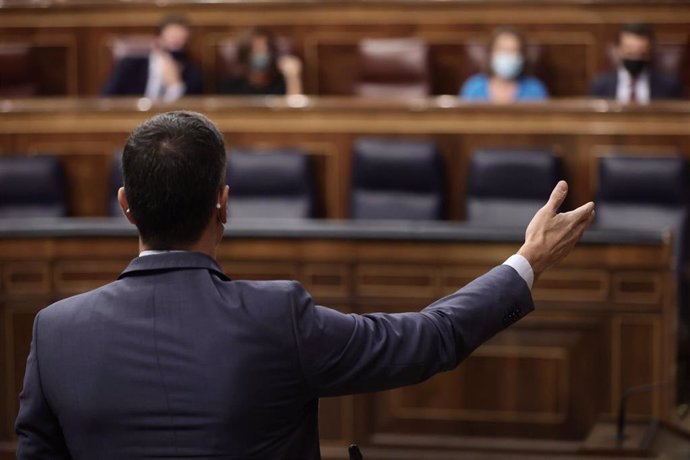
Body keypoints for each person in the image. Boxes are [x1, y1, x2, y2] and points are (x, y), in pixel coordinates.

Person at [15, 111, 594, 459]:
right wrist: (527, 261)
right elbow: (428, 338)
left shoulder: (56, 331)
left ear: (125, 206)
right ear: (223, 204)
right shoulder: (275, 316)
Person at [101, 14, 203, 101]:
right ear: (157, 40)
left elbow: (188, 116)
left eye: (180, 43)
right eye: (171, 41)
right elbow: (106, 99)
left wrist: (175, 86)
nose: (174, 52)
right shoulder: (130, 65)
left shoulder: (193, 74)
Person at [590, 23, 684, 103]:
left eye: (641, 53)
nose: (635, 58)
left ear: (650, 51)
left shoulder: (668, 87)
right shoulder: (600, 85)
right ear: (618, 50)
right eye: (630, 52)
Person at [460, 26, 549, 103]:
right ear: (491, 54)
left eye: (513, 51)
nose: (507, 55)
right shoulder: (473, 88)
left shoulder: (534, 89)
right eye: (502, 50)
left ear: (522, 56)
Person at [219, 27, 302, 96]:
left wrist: (292, 77)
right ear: (245, 55)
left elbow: (294, 110)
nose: (261, 54)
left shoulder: (280, 82)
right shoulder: (232, 84)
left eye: (265, 50)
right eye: (256, 50)